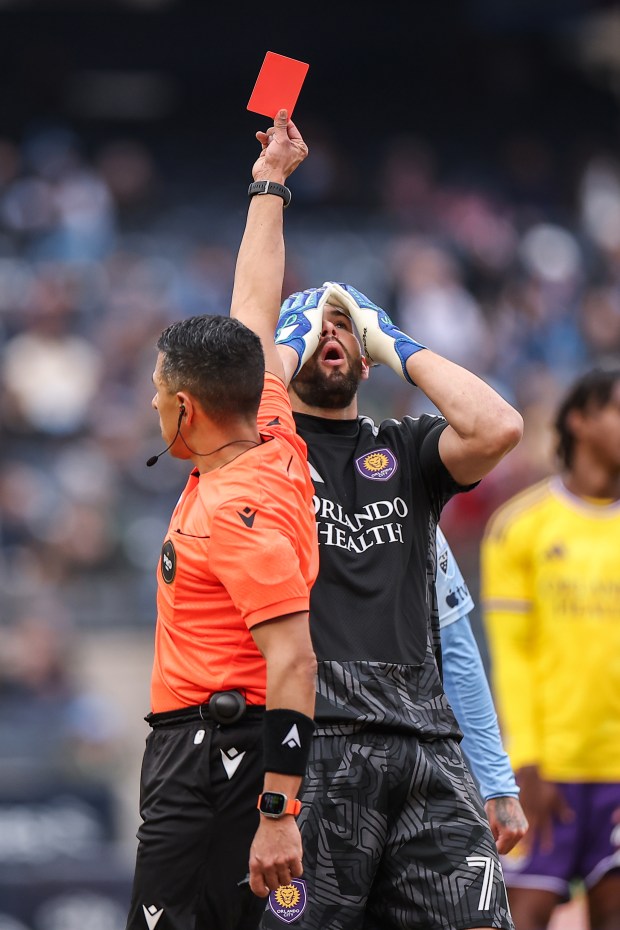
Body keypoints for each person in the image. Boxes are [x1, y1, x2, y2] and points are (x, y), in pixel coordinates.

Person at [234, 239, 524, 925]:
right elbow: (228, 406)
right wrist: (288, 346)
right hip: (317, 741)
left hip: (427, 745)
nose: (327, 335)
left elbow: (499, 426)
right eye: (312, 329)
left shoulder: (405, 446)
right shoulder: (262, 454)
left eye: (343, 327)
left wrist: (392, 339)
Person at [125, 111, 319, 930]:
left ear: (189, 407)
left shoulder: (235, 511)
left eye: (160, 391)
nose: (152, 402)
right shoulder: (266, 418)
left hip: (217, 761)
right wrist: (270, 183)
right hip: (207, 751)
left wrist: (278, 810)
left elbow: (296, 660)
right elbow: (254, 297)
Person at [481, 367, 620, 930]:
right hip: (547, 769)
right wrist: (525, 766)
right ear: (580, 421)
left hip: (616, 767)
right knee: (523, 915)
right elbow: (510, 660)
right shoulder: (520, 526)